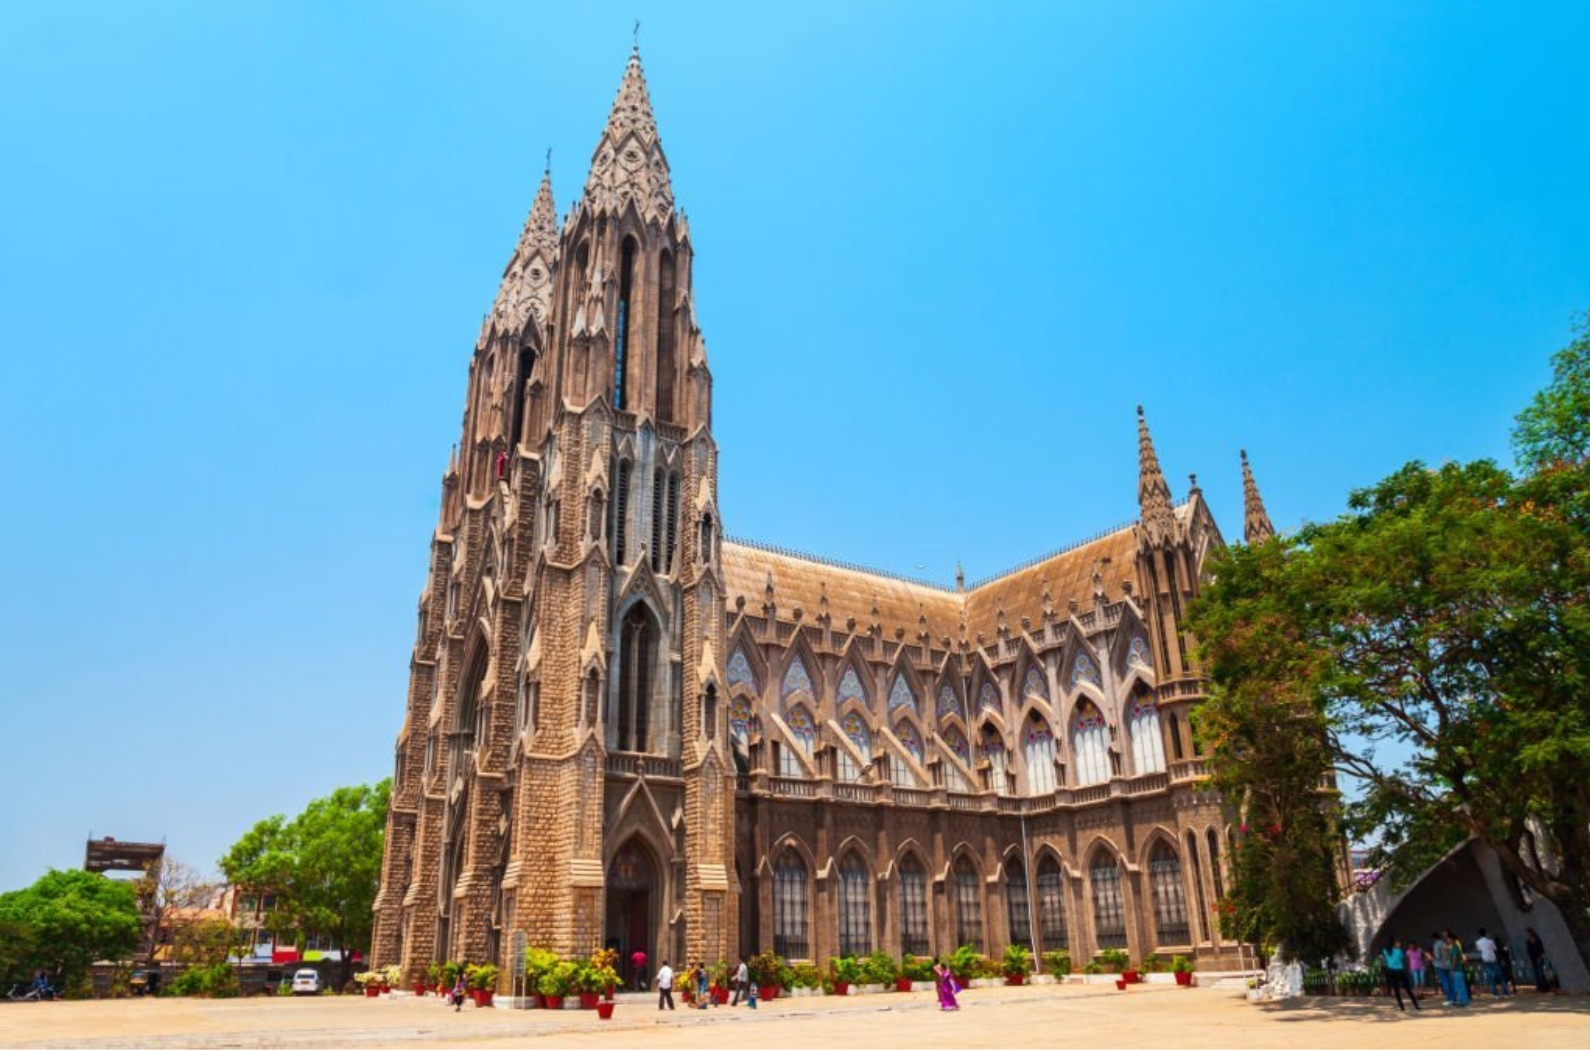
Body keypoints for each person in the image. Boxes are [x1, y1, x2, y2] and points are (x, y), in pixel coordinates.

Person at [1380, 938, 1420, 1012]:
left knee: (1396, 990)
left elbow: (1385, 957)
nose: (1399, 944)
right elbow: (1401, 957)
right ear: (1394, 944)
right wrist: (1398, 948)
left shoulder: (1385, 951)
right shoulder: (1398, 950)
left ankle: (1402, 1007)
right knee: (1408, 988)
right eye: (1398, 943)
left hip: (1391, 971)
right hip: (1400, 970)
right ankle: (1416, 1005)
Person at [1475, 927, 1510, 998]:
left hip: (1486, 961)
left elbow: (1479, 950)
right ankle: (1506, 993)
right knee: (1501, 977)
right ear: (1485, 933)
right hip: (1493, 960)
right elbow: (1495, 949)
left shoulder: (1478, 942)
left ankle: (1495, 994)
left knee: (1491, 979)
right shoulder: (1490, 941)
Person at [1444, 930, 1470, 1007]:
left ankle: (1464, 1002)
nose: (1447, 940)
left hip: (1457, 970)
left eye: (1448, 939)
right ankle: (1463, 1001)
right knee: (1459, 986)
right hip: (1458, 970)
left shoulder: (1455, 947)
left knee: (1460, 986)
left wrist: (1452, 969)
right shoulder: (1453, 948)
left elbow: (1455, 959)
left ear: (1452, 939)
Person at [1430, 930, 1453, 1005]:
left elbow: (1437, 956)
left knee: (1445, 982)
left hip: (1440, 965)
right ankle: (1453, 998)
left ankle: (1449, 999)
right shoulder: (1444, 943)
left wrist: (1430, 957)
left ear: (1433, 938)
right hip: (1448, 964)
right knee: (1449, 981)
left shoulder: (1436, 944)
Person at [1524, 927, 1550, 993]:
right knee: (1537, 973)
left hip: (1538, 958)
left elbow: (1540, 949)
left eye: (1528, 933)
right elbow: (1529, 951)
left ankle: (1545, 987)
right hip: (1533, 959)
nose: (1527, 935)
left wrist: (1540, 956)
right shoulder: (1528, 942)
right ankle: (1540, 986)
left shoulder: (1537, 940)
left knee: (1540, 973)